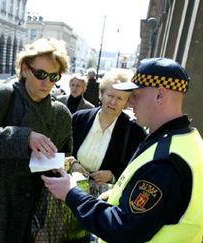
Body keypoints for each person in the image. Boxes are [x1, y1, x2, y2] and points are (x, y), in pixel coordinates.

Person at [42, 58, 203, 242]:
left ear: (160, 94)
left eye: (135, 95)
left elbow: (124, 228)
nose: (130, 102)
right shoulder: (186, 142)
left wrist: (71, 193)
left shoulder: (166, 159)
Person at [0, 38, 73, 242]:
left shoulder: (61, 114)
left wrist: (66, 169)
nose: (46, 83)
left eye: (53, 76)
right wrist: (24, 137)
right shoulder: (4, 96)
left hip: (38, 216)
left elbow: (64, 158)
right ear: (24, 68)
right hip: (0, 212)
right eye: (40, 74)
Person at [70, 69, 147, 197]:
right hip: (69, 192)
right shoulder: (79, 118)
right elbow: (61, 149)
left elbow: (136, 167)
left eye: (120, 98)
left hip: (102, 201)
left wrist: (112, 175)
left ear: (127, 102)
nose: (113, 102)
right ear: (101, 94)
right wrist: (73, 164)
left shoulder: (135, 132)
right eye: (110, 96)